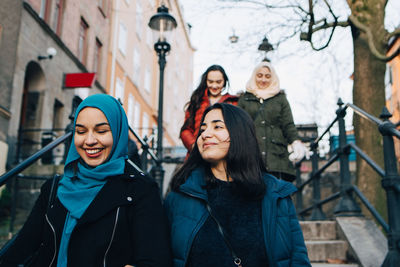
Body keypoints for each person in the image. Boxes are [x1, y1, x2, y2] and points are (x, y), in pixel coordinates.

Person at [0, 94, 172, 267]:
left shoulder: (140, 191)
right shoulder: (54, 188)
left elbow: (154, 259)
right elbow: (20, 249)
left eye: (101, 131)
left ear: (118, 132)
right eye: (81, 131)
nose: (89, 141)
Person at [165, 103, 311, 267]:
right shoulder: (181, 195)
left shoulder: (276, 194)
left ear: (239, 134)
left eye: (217, 126)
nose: (205, 134)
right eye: (203, 129)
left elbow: (298, 259)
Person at [238, 61, 307, 182]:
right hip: (252, 156)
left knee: (276, 195)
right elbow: (238, 127)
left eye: (267, 76)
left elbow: (288, 124)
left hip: (276, 157)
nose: (263, 80)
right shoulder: (244, 99)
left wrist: (296, 142)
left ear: (273, 78)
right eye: (259, 76)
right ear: (254, 76)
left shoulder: (280, 99)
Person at [180, 65, 238, 155]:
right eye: (210, 82)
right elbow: (186, 130)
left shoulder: (233, 103)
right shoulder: (196, 101)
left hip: (224, 155)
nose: (214, 86)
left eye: (218, 82)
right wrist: (193, 146)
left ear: (224, 82)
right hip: (197, 156)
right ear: (205, 81)